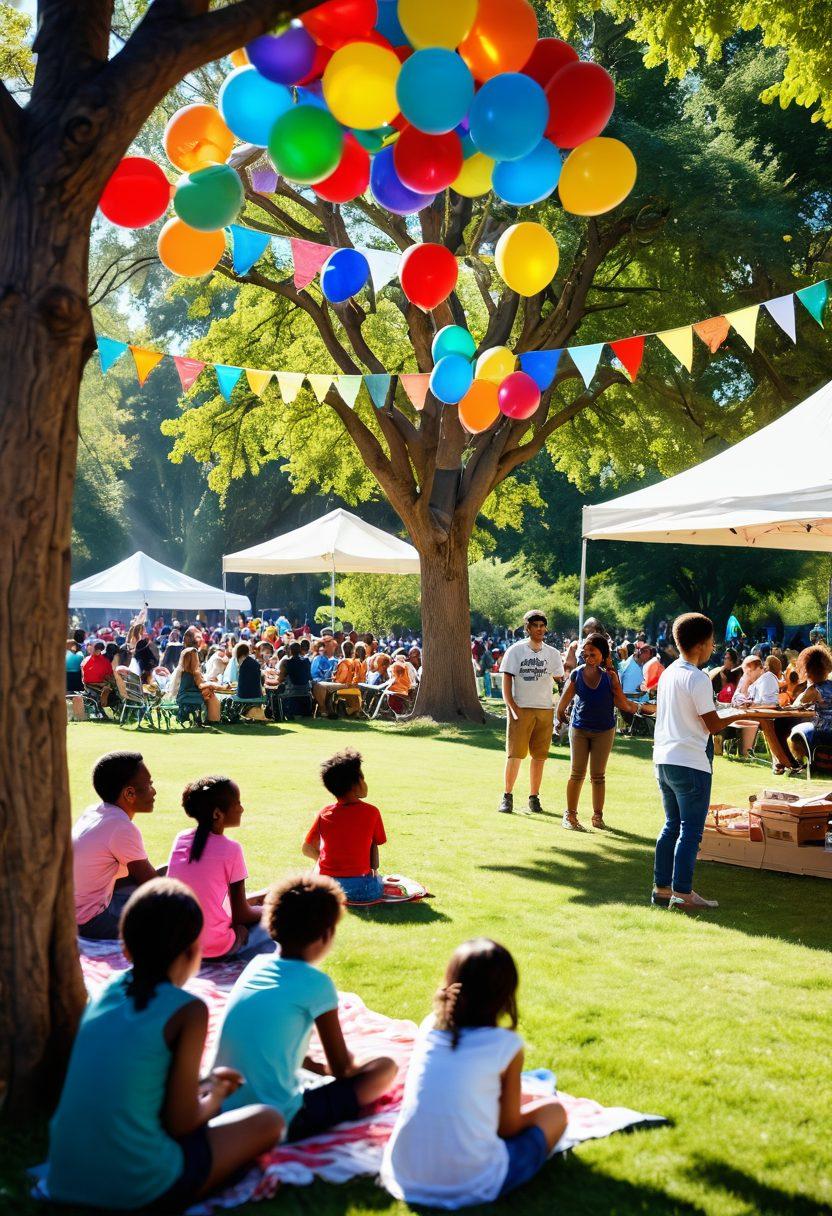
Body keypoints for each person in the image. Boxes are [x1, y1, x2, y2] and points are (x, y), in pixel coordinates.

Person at [47, 879, 282, 1211]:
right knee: (269, 1120)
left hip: (64, 1178)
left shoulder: (106, 991)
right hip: (138, 1186)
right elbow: (181, 1122)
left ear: (126, 948)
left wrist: (202, 1086)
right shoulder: (188, 1010)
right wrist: (217, 1093)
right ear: (194, 951)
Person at [379, 938, 567, 1208]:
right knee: (554, 1112)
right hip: (473, 1181)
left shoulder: (430, 1026)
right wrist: (537, 1109)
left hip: (405, 1174)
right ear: (505, 995)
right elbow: (508, 1127)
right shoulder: (506, 1045)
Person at [211, 873, 396, 1140]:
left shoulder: (256, 966)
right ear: (326, 934)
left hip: (223, 1104)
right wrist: (361, 1066)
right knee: (385, 1068)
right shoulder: (316, 983)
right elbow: (342, 1068)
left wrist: (318, 1068)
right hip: (279, 1117)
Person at [652, 614, 745, 912]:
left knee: (671, 826)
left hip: (664, 759)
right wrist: (740, 713)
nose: (714, 646)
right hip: (690, 762)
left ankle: (662, 889)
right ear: (702, 644)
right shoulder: (697, 677)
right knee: (690, 831)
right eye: (712, 641)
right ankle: (683, 893)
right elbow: (713, 724)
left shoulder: (669, 673)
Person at [167, 777, 273, 963]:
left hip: (178, 945)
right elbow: (241, 914)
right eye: (237, 803)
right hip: (213, 949)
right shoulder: (232, 849)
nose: (241, 809)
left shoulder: (181, 838)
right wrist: (270, 909)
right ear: (217, 814)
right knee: (272, 925)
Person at [556, 633, 654, 831]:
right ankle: (570, 815)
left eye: (593, 654)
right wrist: (560, 715)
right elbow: (563, 701)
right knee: (577, 773)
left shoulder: (610, 677)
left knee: (598, 776)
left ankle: (597, 816)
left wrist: (641, 707)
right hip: (580, 728)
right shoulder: (577, 674)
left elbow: (620, 701)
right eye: (585, 654)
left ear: (603, 655)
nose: (588, 657)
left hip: (604, 730)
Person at [72, 751, 163, 939]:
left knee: (168, 873)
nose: (154, 791)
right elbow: (153, 885)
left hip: (74, 910)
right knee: (171, 914)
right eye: (149, 785)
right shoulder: (120, 828)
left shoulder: (95, 811)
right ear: (129, 793)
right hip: (89, 921)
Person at [498, 610, 564, 815]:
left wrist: (559, 706)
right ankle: (507, 796)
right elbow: (506, 681)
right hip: (522, 708)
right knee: (515, 754)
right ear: (527, 628)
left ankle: (534, 797)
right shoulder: (515, 651)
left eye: (542, 626)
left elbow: (560, 680)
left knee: (540, 756)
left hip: (544, 709)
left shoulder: (552, 653)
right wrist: (512, 706)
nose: (539, 629)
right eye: (535, 625)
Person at [302, 748, 387, 903]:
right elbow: (375, 845)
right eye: (363, 779)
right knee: (378, 882)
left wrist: (326, 865)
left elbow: (307, 849)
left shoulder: (324, 812)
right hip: (361, 891)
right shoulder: (372, 812)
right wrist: (374, 873)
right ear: (355, 785)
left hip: (325, 888)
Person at [785, 645, 832, 769]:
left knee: (793, 736)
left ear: (809, 670)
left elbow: (798, 704)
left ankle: (803, 763)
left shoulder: (813, 689)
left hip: (823, 731)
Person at [170, 646, 223, 724]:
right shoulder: (191, 673)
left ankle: (211, 718)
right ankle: (213, 719)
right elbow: (200, 686)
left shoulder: (183, 671)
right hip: (187, 696)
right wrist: (213, 686)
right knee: (209, 694)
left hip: (184, 696)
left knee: (208, 692)